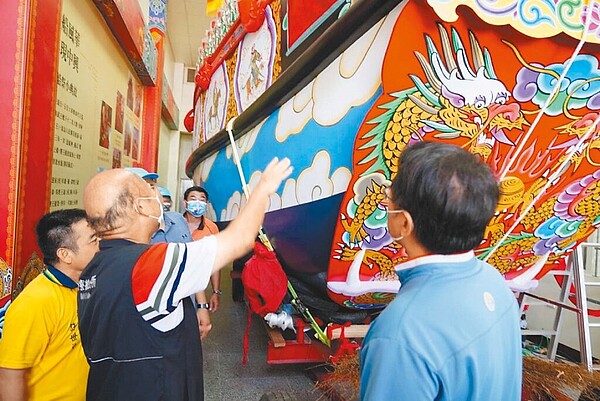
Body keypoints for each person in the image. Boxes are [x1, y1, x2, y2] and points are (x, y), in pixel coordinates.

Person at [78, 157, 292, 401]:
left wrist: (200, 306)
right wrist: (263, 188)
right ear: (140, 206)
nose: (157, 196)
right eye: (150, 190)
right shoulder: (151, 263)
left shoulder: (92, 268)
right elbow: (240, 238)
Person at [359, 142, 522, 401]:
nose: (386, 202)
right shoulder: (494, 282)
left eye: (390, 200)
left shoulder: (400, 333)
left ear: (404, 223)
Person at [0, 209, 99, 401]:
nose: (101, 245)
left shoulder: (85, 286)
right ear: (65, 254)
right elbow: (11, 373)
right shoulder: (36, 301)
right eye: (93, 240)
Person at [150, 188, 212, 340]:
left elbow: (191, 263)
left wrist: (202, 306)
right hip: (153, 311)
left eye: (153, 185)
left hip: (185, 305)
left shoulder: (178, 220)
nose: (153, 191)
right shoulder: (135, 233)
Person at [183, 186, 222, 312]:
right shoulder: (173, 224)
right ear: (185, 203)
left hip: (197, 288)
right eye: (193, 199)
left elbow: (215, 262)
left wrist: (216, 292)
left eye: (202, 200)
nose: (198, 203)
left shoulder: (211, 228)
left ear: (206, 204)